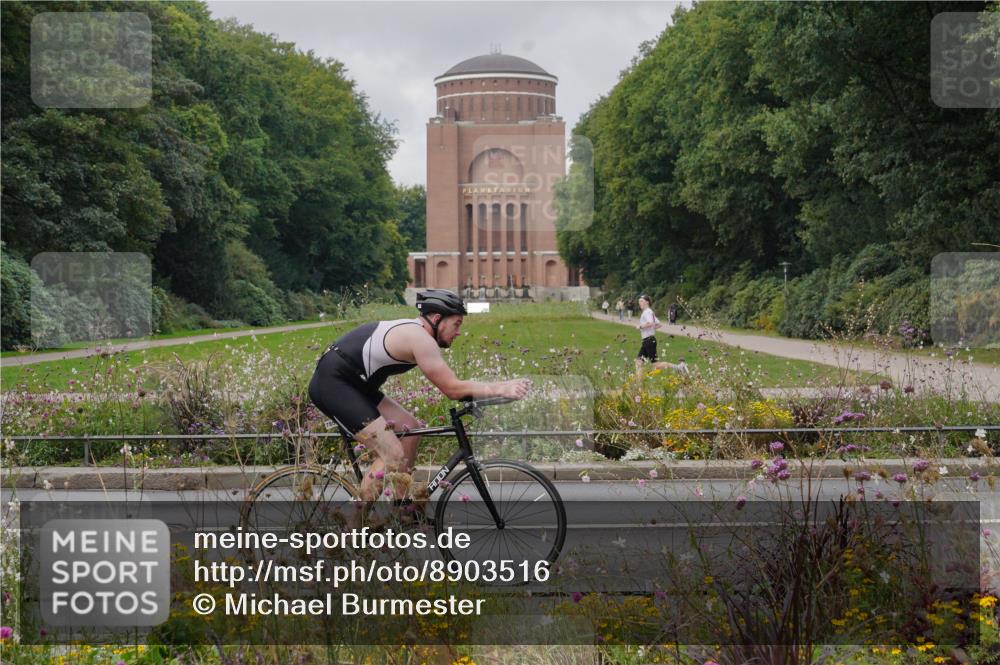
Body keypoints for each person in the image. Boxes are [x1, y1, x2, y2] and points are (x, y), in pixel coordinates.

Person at [308, 289, 531, 502]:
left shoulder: (418, 333)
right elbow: (452, 389)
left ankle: (402, 509)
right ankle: (353, 528)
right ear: (436, 318)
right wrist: (502, 387)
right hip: (334, 383)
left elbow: (456, 389)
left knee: (410, 429)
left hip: (355, 383)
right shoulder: (420, 339)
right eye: (456, 324)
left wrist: (497, 390)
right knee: (392, 454)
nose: (459, 332)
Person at [635, 294, 659, 378]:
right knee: (638, 362)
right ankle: (639, 386)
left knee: (656, 365)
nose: (640, 303)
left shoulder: (647, 312)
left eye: (641, 301)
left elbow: (650, 323)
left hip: (649, 341)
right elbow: (658, 324)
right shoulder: (648, 312)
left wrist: (640, 326)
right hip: (647, 341)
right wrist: (651, 329)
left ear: (647, 302)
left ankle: (678, 367)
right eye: (639, 302)